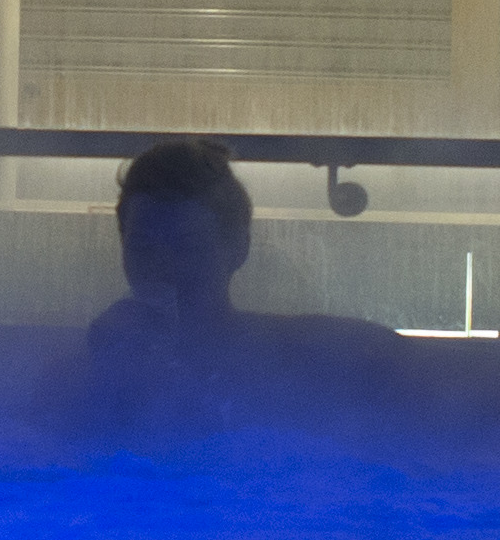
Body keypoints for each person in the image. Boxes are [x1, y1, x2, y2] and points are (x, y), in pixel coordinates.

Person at [57, 138, 412, 439]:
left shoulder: (295, 357)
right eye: (145, 247)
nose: (163, 266)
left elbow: (388, 355)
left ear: (237, 248)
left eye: (187, 246)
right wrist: (106, 380)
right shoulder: (89, 371)